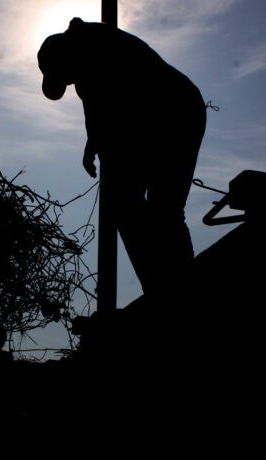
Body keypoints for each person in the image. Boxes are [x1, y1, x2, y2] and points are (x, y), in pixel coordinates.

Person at [38, 18, 207, 300]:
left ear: (61, 58)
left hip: (173, 109)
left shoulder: (94, 46)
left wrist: (104, 147)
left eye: (63, 77)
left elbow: (111, 99)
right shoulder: (84, 63)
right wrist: (92, 147)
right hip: (168, 109)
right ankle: (166, 283)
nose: (69, 82)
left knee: (153, 206)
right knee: (149, 207)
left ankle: (172, 285)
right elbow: (96, 113)